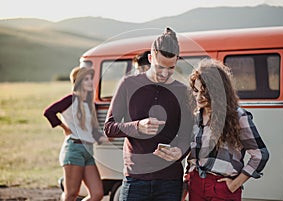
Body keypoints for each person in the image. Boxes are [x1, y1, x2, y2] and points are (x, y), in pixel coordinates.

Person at [104, 27, 193, 201]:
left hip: (170, 181)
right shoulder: (128, 84)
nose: (165, 74)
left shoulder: (183, 92)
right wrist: (138, 127)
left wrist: (180, 151)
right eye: (160, 67)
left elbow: (187, 135)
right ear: (151, 58)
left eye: (171, 68)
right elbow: (109, 128)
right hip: (135, 179)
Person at [185, 58, 269, 201]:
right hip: (196, 185)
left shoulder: (238, 117)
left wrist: (235, 184)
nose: (198, 97)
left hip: (222, 188)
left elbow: (260, 154)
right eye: (196, 90)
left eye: (204, 92)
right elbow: (192, 157)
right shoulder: (195, 117)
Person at [43, 66, 104, 201]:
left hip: (88, 151)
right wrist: (64, 127)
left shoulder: (89, 104)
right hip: (74, 149)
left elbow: (92, 131)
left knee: (97, 194)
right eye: (86, 79)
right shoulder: (70, 100)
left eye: (90, 79)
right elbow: (49, 112)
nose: (90, 82)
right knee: (71, 194)